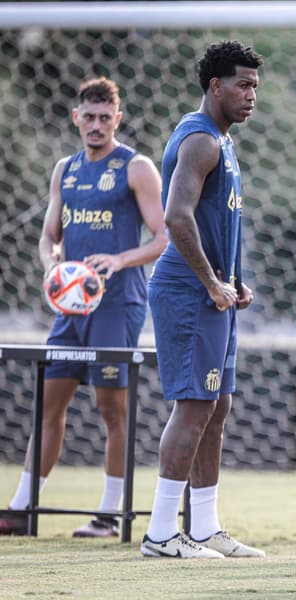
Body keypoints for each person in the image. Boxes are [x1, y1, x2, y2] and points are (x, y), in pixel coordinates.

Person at [0, 77, 167, 537]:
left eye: (104, 118)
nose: (96, 125)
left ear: (118, 118)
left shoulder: (136, 168)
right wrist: (50, 265)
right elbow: (48, 235)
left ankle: (109, 515)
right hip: (71, 306)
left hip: (119, 304)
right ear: (76, 117)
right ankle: (21, 508)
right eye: (88, 117)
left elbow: (164, 237)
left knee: (111, 407)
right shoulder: (64, 169)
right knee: (47, 404)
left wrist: (119, 259)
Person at [139, 40, 265, 559]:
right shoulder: (199, 141)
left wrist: (233, 280)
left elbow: (214, 224)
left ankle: (206, 525)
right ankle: (162, 533)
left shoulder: (222, 139)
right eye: (243, 84)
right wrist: (213, 282)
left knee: (218, 405)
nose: (252, 95)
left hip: (215, 290)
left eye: (256, 86)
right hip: (189, 290)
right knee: (193, 406)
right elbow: (176, 218)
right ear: (215, 86)